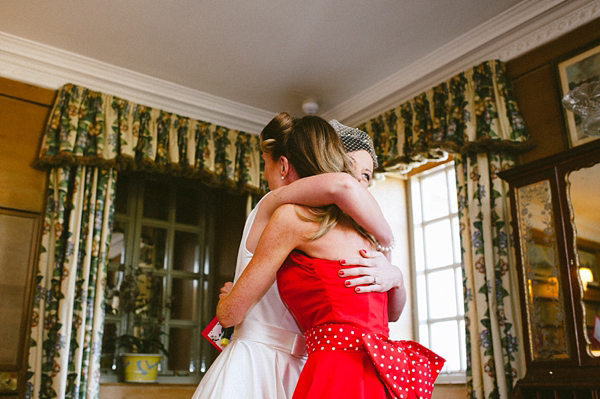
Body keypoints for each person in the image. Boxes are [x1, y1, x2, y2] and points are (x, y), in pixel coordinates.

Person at [217, 117, 444, 398]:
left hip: (329, 370)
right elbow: (389, 313)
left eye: (367, 176)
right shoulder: (369, 235)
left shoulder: (288, 214)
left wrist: (393, 265)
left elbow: (230, 313)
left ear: (286, 165)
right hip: (372, 372)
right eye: (351, 170)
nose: (358, 182)